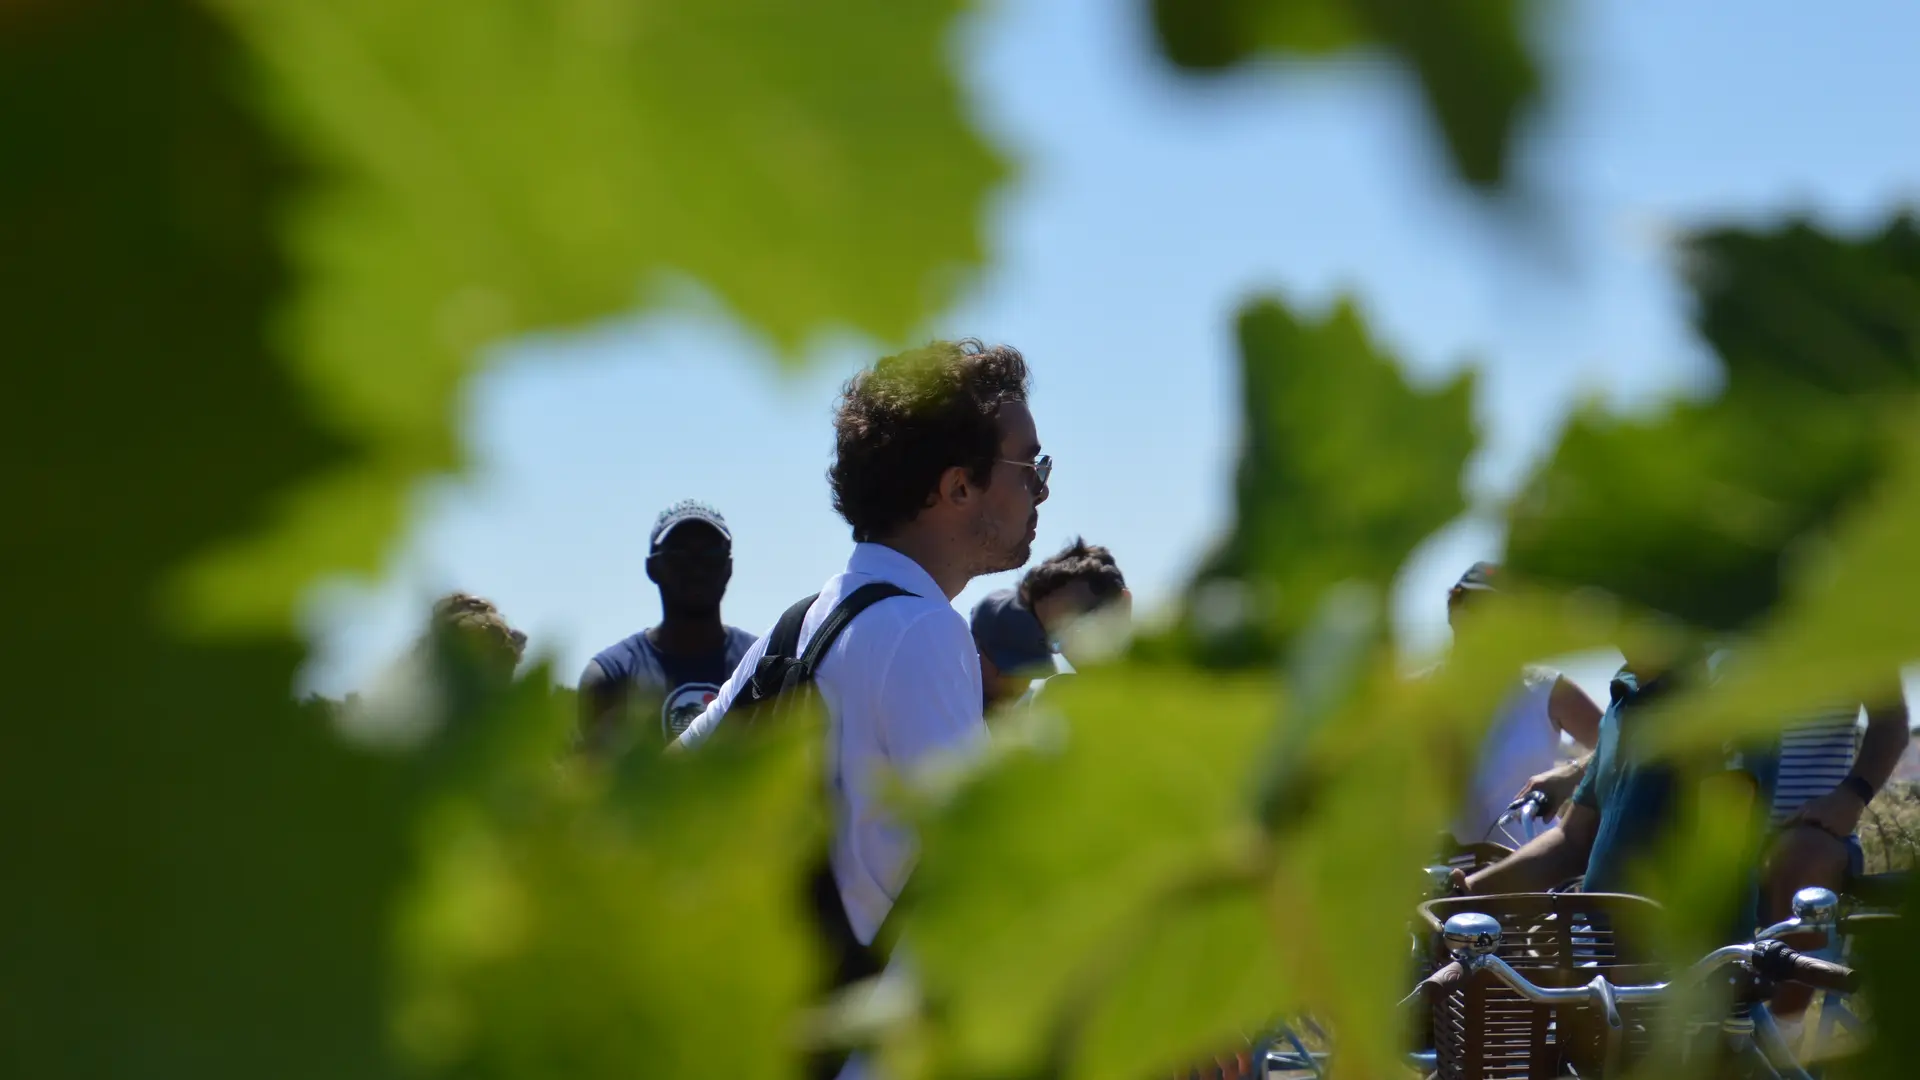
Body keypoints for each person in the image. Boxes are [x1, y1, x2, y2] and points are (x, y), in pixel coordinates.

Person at [676, 340, 1047, 988]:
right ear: (959, 486)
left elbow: (671, 785)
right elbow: (973, 880)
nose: (1040, 489)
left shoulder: (800, 624)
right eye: (1028, 467)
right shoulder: (926, 631)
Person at [1458, 643, 1762, 907]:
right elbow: (1570, 840)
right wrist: (1469, 890)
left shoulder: (1712, 702)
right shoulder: (1622, 701)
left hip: (1675, 951)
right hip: (1600, 942)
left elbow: (1719, 858)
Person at [1759, 686, 1909, 1018]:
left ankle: (1783, 1034)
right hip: (1714, 830)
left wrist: (1852, 796)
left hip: (1813, 832)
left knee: (1801, 857)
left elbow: (1891, 721)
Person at [577, 501, 757, 755]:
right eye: (679, 555)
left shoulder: (762, 665)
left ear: (729, 567)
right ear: (652, 567)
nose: (697, 568)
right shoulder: (611, 678)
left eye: (711, 553)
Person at [1441, 562, 1602, 845]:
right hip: (1432, 870)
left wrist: (1572, 772)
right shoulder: (1414, 696)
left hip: (1529, 865)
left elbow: (1622, 749)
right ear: (1454, 608)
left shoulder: (1547, 688)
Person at [970, 537, 1130, 709]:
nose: (1075, 650)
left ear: (1123, 605)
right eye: (1058, 639)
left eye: (1080, 626)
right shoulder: (1053, 704)